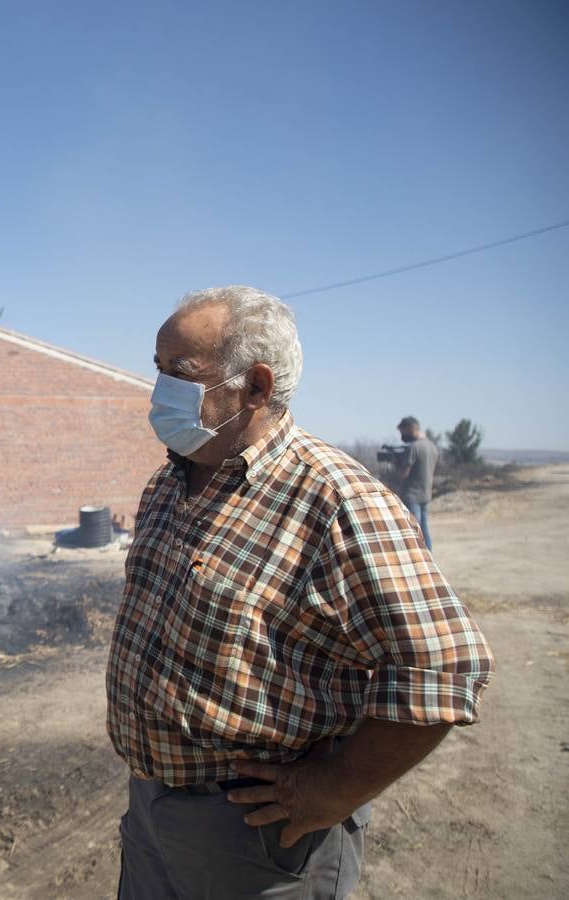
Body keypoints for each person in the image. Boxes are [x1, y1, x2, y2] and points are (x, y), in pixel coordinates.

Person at [107, 286, 493, 899]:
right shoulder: (171, 480)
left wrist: (336, 787)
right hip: (151, 812)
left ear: (256, 388)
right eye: (157, 370)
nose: (159, 392)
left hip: (257, 839)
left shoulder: (338, 502)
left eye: (180, 373)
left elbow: (442, 665)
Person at [394, 416, 439, 549]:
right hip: (426, 493)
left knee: (413, 531)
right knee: (424, 530)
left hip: (412, 495)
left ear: (410, 429)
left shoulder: (414, 448)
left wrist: (396, 464)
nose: (402, 436)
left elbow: (403, 474)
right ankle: (428, 559)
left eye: (402, 432)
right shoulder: (431, 446)